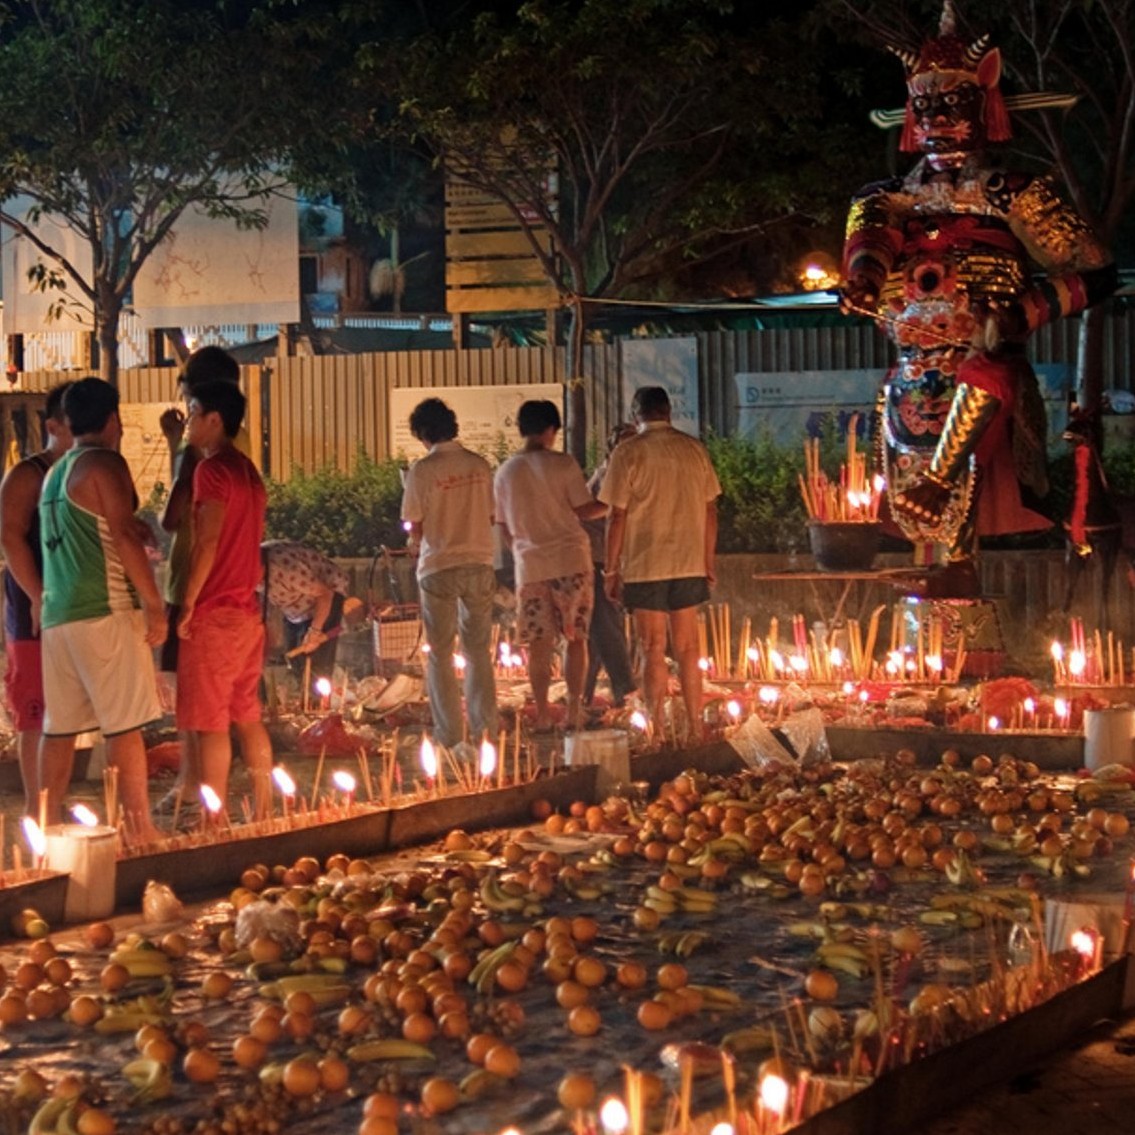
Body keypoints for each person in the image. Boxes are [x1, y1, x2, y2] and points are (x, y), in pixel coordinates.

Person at [840, 1, 1117, 596]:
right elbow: (871, 239)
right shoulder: (885, 197)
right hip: (913, 369)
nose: (937, 118)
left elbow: (1096, 274)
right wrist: (863, 279)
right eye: (926, 107)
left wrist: (1026, 311)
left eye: (952, 104)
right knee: (912, 466)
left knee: (978, 392)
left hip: (983, 361)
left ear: (984, 96)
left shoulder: (1013, 192)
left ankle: (956, 564)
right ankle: (942, 591)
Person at [37, 378, 165, 842]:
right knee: (124, 725)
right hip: (104, 610)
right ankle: (139, 828)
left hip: (58, 616)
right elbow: (124, 537)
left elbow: (99, 532)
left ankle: (47, 830)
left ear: (68, 421)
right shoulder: (104, 463)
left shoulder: (54, 473)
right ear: (114, 420)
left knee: (61, 729)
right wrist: (155, 605)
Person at [600, 386, 721, 742]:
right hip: (688, 562)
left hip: (645, 564)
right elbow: (711, 510)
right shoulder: (693, 449)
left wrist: (610, 569)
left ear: (637, 414)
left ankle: (656, 729)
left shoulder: (628, 452)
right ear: (668, 412)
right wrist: (707, 560)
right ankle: (695, 728)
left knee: (652, 646)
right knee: (688, 647)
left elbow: (616, 517)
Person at [156, 346, 248, 813]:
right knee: (230, 708)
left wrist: (179, 444)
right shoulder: (241, 450)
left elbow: (175, 519)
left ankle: (194, 788)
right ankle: (241, 795)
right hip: (238, 589)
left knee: (195, 706)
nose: (186, 411)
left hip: (196, 584)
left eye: (190, 404)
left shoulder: (203, 457)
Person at [177, 380, 271, 820]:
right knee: (246, 715)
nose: (188, 421)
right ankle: (266, 810)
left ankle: (213, 821)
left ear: (214, 419)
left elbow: (208, 541)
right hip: (248, 613)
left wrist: (189, 601)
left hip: (215, 612)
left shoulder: (211, 471)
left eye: (193, 411)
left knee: (212, 724)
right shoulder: (247, 471)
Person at [494, 400, 605, 733]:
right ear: (551, 430)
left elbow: (502, 526)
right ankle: (573, 711)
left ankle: (542, 714)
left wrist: (522, 552)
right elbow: (585, 510)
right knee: (576, 639)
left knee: (539, 644)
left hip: (530, 567)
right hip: (572, 562)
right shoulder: (563, 464)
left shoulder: (504, 472)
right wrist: (614, 504)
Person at [400, 397, 498, 752]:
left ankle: (450, 736)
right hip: (479, 561)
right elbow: (490, 515)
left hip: (438, 566)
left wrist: (417, 539)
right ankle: (486, 730)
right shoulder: (480, 465)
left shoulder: (421, 471)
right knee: (478, 651)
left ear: (424, 434)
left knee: (440, 653)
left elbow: (414, 523)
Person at [0, 382, 72, 814]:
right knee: (35, 713)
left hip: (70, 608)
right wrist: (37, 594)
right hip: (33, 612)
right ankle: (35, 809)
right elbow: (10, 537)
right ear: (53, 427)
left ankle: (54, 805)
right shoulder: (28, 474)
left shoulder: (84, 470)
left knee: (63, 715)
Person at [583, 423, 636, 711]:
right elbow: (608, 510)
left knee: (599, 631)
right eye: (623, 444)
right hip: (597, 557)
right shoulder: (610, 475)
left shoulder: (619, 474)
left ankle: (584, 692)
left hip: (604, 556)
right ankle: (624, 690)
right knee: (605, 628)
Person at [260, 538, 363, 681]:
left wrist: (315, 631)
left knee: (316, 665)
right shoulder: (247, 577)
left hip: (325, 596)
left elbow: (325, 594)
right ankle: (304, 697)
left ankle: (319, 699)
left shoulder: (285, 568)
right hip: (294, 606)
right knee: (295, 660)